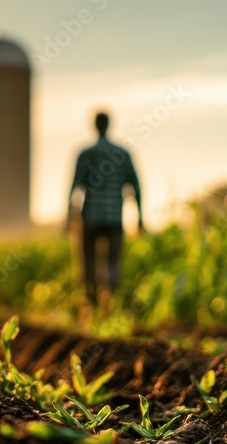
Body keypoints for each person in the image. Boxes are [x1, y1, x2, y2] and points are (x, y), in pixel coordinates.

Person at [67, 112, 144, 305]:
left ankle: (90, 303)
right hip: (114, 219)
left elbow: (75, 188)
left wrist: (70, 217)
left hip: (91, 218)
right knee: (112, 263)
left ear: (95, 126)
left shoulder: (86, 154)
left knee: (89, 262)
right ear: (109, 125)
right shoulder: (122, 154)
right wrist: (139, 217)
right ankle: (110, 304)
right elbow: (135, 186)